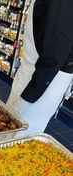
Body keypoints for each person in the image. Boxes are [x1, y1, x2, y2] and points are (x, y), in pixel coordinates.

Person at [6, 0, 73, 135]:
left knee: (16, 137)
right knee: (9, 132)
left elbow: (57, 46)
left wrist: (27, 97)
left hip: (44, 79)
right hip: (32, 71)